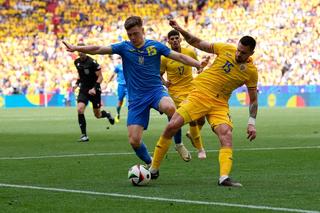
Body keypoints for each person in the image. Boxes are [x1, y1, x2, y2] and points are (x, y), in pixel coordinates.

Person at [63, 16, 207, 166]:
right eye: (129, 34)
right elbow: (99, 49)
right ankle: (152, 164)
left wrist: (198, 64)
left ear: (143, 31)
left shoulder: (155, 47)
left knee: (171, 108)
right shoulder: (124, 47)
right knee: (134, 141)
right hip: (136, 99)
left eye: (135, 33)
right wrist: (76, 48)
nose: (132, 37)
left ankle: (178, 144)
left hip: (155, 91)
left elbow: (179, 56)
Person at [149, 19, 258, 187]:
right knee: (173, 125)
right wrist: (181, 30)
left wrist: (252, 123)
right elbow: (197, 42)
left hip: (220, 103)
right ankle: (154, 169)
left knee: (226, 134)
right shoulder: (226, 49)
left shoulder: (251, 72)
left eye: (243, 53)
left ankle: (224, 177)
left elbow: (254, 99)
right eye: (238, 50)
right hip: (199, 94)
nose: (238, 54)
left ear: (251, 53)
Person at [160, 29, 206, 160]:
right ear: (168, 41)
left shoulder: (189, 52)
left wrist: (200, 71)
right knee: (190, 119)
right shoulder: (165, 57)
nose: (174, 40)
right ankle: (200, 149)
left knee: (201, 118)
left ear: (180, 39)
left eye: (176, 38)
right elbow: (159, 74)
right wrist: (164, 82)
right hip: (176, 93)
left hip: (191, 89)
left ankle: (192, 136)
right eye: (172, 39)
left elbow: (199, 66)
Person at [73, 44, 115, 142]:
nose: (81, 53)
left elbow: (100, 77)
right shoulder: (77, 62)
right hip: (83, 89)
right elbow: (80, 75)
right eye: (79, 51)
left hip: (94, 90)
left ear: (85, 51)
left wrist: (94, 88)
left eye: (82, 51)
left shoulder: (92, 62)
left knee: (98, 115)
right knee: (80, 109)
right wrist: (76, 84)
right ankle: (84, 135)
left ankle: (107, 114)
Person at [107, 56, 127, 123]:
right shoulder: (118, 66)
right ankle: (118, 114)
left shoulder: (131, 66)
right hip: (121, 86)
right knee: (120, 102)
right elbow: (113, 74)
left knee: (131, 102)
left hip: (129, 86)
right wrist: (108, 81)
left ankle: (132, 117)